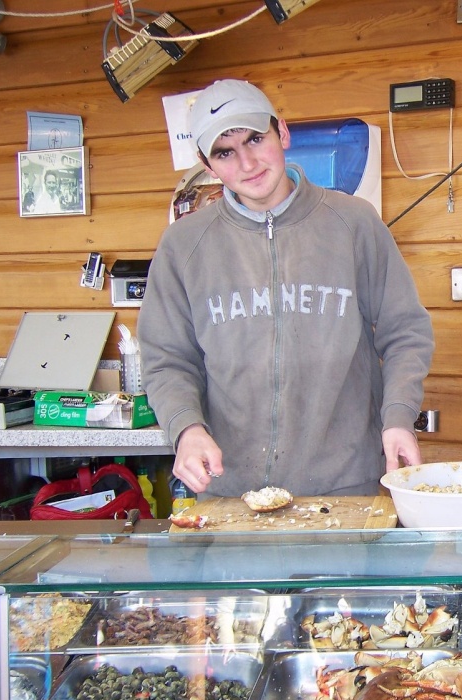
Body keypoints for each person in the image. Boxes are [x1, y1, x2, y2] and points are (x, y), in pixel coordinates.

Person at [139, 79, 434, 498]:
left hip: (346, 483)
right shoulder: (184, 245)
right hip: (229, 488)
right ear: (208, 165)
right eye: (225, 152)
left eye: (256, 139)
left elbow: (406, 331)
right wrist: (186, 427)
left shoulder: (355, 223)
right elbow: (167, 359)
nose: (247, 163)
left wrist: (399, 417)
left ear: (283, 132)